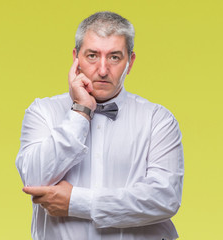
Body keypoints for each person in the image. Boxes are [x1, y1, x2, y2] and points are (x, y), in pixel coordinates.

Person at [15, 11, 184, 240]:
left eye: (114, 57)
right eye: (92, 56)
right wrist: (81, 111)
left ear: (130, 62)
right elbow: (34, 179)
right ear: (76, 58)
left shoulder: (158, 120)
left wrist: (77, 202)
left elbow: (165, 199)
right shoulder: (42, 112)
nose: (103, 70)